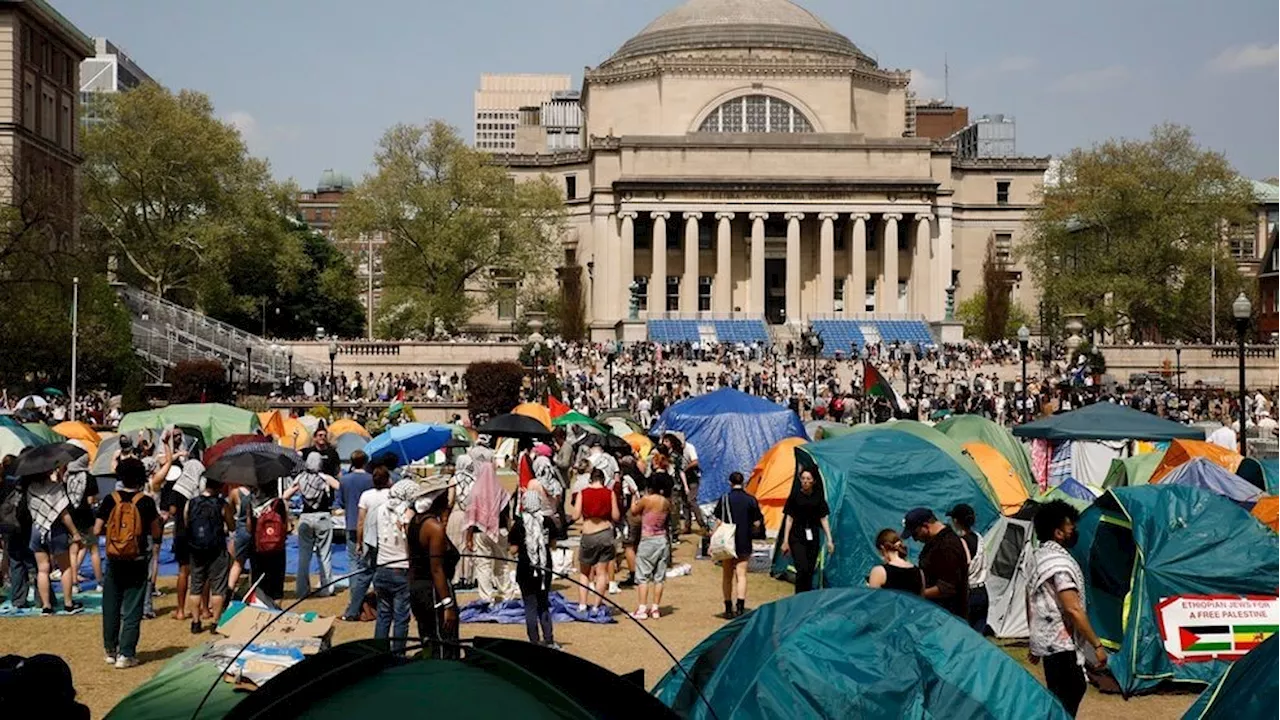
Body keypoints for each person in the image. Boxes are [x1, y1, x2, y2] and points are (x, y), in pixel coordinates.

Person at [1027, 500, 1108, 718]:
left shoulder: (1039, 556)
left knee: (1061, 694)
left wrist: (1035, 640)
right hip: (1062, 644)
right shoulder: (1058, 565)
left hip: (1049, 642)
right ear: (1058, 533)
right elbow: (1073, 609)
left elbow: (1033, 602)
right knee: (1071, 691)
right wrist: (1097, 644)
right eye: (1071, 527)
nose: (1075, 531)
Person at [95, 458, 162, 669]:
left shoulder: (110, 499)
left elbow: (97, 529)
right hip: (137, 558)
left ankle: (110, 650)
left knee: (111, 604)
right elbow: (156, 531)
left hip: (114, 558)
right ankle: (127, 653)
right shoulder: (146, 501)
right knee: (133, 607)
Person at [409, 477, 461, 657]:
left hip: (418, 589)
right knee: (443, 644)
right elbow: (436, 569)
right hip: (434, 591)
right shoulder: (434, 528)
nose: (448, 500)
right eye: (445, 496)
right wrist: (448, 604)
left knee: (428, 641)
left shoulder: (415, 522)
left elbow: (411, 561)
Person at [24, 462, 84, 615]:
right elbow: (64, 514)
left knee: (42, 569)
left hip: (37, 529)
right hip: (56, 530)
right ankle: (68, 604)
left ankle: (46, 606)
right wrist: (75, 533)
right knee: (65, 567)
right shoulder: (55, 488)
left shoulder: (30, 488)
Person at [373, 480, 423, 652]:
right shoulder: (408, 514)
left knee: (383, 616)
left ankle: (379, 653)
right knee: (401, 617)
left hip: (382, 566)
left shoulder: (380, 509)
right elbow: (411, 543)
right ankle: (398, 655)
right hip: (401, 568)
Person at [465, 447, 514, 607]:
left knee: (483, 565)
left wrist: (468, 537)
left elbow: (471, 518)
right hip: (500, 532)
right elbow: (507, 516)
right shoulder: (501, 491)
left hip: (480, 533)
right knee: (502, 564)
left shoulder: (476, 491)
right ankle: (507, 595)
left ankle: (487, 598)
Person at [341, 465, 391, 621]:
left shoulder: (366, 496)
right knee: (387, 575)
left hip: (370, 539)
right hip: (386, 539)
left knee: (364, 576)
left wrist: (359, 541)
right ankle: (387, 608)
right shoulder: (391, 495)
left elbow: (361, 521)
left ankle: (352, 610)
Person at [184, 478, 234, 634]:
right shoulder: (221, 504)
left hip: (196, 549)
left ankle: (195, 622)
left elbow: (187, 523)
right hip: (217, 549)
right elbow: (231, 526)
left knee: (195, 587)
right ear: (219, 486)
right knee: (218, 587)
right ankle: (215, 622)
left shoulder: (191, 503)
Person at [711, 471, 763, 618]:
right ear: (744, 482)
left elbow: (718, 521)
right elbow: (757, 522)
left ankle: (728, 607)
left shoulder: (725, 499)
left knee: (727, 576)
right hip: (744, 540)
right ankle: (740, 607)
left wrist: (712, 539)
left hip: (727, 542)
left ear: (730, 483)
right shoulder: (751, 500)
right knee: (742, 575)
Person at [508, 487, 556, 646]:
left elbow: (513, 549)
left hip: (525, 568)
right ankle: (548, 638)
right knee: (543, 603)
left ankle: (533, 640)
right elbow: (553, 545)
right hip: (544, 568)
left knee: (529, 605)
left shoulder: (519, 524)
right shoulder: (547, 521)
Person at [569, 468, 619, 618]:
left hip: (589, 532)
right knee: (602, 572)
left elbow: (576, 515)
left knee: (585, 572)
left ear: (591, 479)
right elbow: (616, 515)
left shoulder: (583, 493)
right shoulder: (610, 493)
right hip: (605, 532)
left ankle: (583, 604)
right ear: (603, 480)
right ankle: (597, 605)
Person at [903, 507, 970, 619]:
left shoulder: (948, 545)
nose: (915, 539)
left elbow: (947, 587)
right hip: (936, 612)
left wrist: (917, 594)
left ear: (925, 526)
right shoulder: (935, 542)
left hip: (948, 616)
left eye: (915, 534)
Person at [780, 468, 834, 593]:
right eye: (803, 478)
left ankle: (807, 596)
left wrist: (829, 539)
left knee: (810, 569)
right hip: (797, 535)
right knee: (802, 567)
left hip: (812, 535)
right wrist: (785, 540)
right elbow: (789, 518)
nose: (805, 481)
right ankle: (798, 595)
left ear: (813, 481)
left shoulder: (818, 497)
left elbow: (823, 518)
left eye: (808, 479)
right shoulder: (795, 496)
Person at [294, 453, 340, 599]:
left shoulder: (301, 478)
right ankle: (326, 588)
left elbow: (286, 495)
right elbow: (338, 486)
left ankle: (302, 590)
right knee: (324, 554)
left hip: (305, 517)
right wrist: (326, 477)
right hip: (323, 517)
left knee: (303, 556)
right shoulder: (323, 478)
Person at [629, 473, 671, 620]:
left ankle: (642, 608)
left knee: (643, 576)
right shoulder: (666, 502)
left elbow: (634, 511)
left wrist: (634, 495)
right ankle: (655, 608)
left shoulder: (647, 500)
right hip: (662, 539)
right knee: (659, 577)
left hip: (648, 539)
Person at [948, 503, 989, 634]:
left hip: (967, 592)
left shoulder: (960, 542)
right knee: (979, 635)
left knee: (964, 634)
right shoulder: (979, 538)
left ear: (955, 521)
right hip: (982, 590)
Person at [249, 484, 294, 602]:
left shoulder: (252, 503)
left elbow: (248, 527)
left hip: (258, 546)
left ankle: (258, 606)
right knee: (276, 582)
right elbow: (287, 527)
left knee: (259, 580)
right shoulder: (279, 503)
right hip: (277, 547)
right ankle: (275, 608)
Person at [337, 450, 374, 588]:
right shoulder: (371, 479)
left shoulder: (344, 480)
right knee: (370, 559)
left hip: (351, 522)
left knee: (353, 560)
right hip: (369, 524)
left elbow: (340, 502)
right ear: (365, 463)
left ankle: (355, 591)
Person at [64, 456, 100, 592]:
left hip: (71, 517)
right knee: (94, 549)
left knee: (73, 551)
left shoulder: (67, 477)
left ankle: (74, 584)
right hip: (86, 516)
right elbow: (91, 500)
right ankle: (99, 582)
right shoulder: (89, 477)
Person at [445, 454, 476, 590]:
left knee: (455, 544)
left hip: (456, 514)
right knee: (467, 545)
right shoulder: (475, 480)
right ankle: (468, 577)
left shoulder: (454, 480)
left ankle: (456, 578)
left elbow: (450, 500)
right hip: (470, 514)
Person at [866, 529, 924, 595]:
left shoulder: (879, 571)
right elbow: (921, 602)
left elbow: (872, 600)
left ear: (883, 548)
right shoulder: (919, 572)